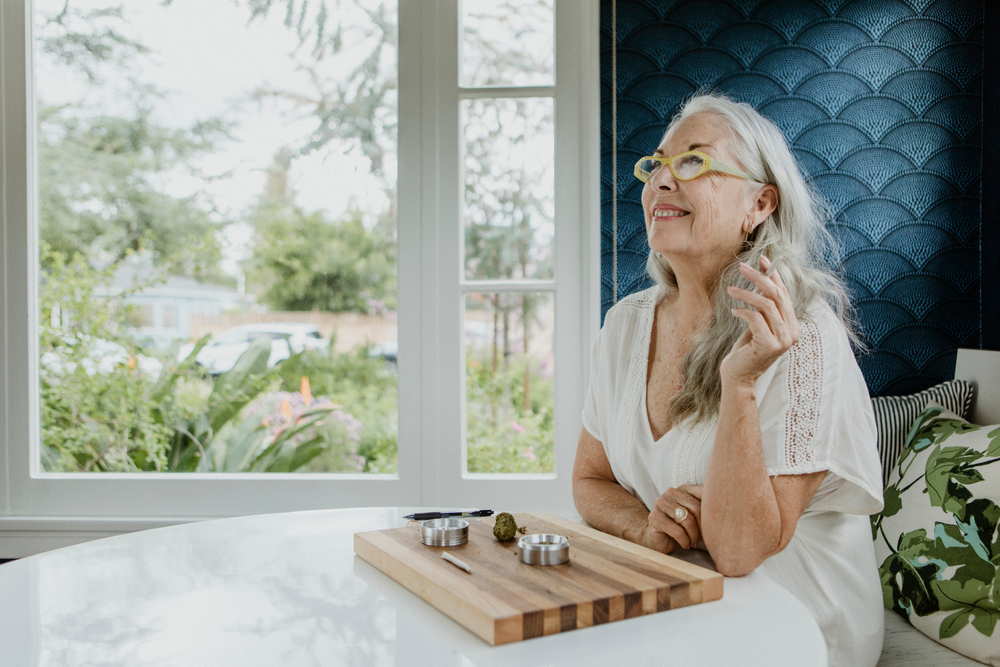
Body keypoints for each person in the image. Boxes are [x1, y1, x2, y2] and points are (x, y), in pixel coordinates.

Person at [573, 93, 885, 666]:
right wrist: (645, 527)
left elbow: (740, 551)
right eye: (658, 163)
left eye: (694, 162)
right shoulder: (624, 324)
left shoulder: (805, 333)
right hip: (682, 604)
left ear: (760, 204)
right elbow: (590, 481)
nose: (662, 180)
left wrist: (739, 385)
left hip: (799, 623)